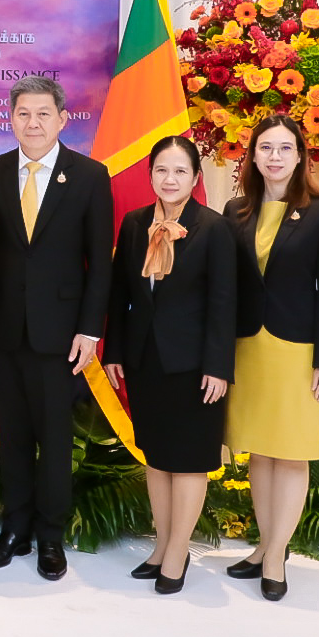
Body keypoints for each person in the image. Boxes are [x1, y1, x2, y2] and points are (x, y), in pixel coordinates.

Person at [0, 75, 112, 580]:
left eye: (43, 113)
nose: (33, 123)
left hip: (61, 334)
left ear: (62, 119)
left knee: (54, 439)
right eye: (23, 113)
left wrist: (90, 330)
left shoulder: (89, 175)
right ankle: (15, 529)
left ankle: (51, 536)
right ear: (11, 119)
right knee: (12, 435)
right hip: (3, 330)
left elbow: (101, 262)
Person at [103, 135, 235, 594]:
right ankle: (161, 546)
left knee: (190, 460)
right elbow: (120, 294)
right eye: (162, 170)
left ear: (195, 177)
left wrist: (218, 367)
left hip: (196, 365)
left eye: (180, 171)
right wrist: (114, 351)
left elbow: (224, 304)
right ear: (150, 175)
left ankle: (178, 553)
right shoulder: (135, 223)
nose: (170, 179)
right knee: (157, 459)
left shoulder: (214, 228)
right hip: (145, 360)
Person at [222, 115, 319, 602]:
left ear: (300, 156)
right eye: (265, 148)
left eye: (284, 148)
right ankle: (263, 546)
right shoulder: (235, 210)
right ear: (253, 156)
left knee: (291, 452)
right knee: (259, 450)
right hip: (248, 347)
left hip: (297, 350)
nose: (274, 157)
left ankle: (276, 556)